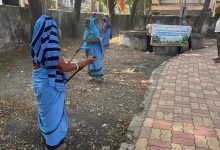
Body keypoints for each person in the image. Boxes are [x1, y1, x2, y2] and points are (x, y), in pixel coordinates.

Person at [29, 15, 96, 150]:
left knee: (45, 112)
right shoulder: (50, 46)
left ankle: (46, 137)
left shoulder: (36, 44)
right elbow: (64, 67)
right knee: (53, 113)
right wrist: (86, 62)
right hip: (49, 85)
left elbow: (52, 65)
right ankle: (53, 144)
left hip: (38, 81)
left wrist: (71, 64)